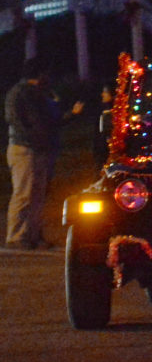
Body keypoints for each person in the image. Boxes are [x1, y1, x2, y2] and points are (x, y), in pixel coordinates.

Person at [4, 56, 84, 250]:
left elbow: (49, 121)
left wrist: (68, 116)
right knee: (24, 193)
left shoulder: (37, 93)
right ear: (40, 74)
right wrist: (40, 135)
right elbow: (23, 121)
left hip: (38, 149)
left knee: (37, 195)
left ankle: (32, 236)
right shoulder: (21, 93)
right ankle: (15, 236)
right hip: (25, 148)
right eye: (46, 73)